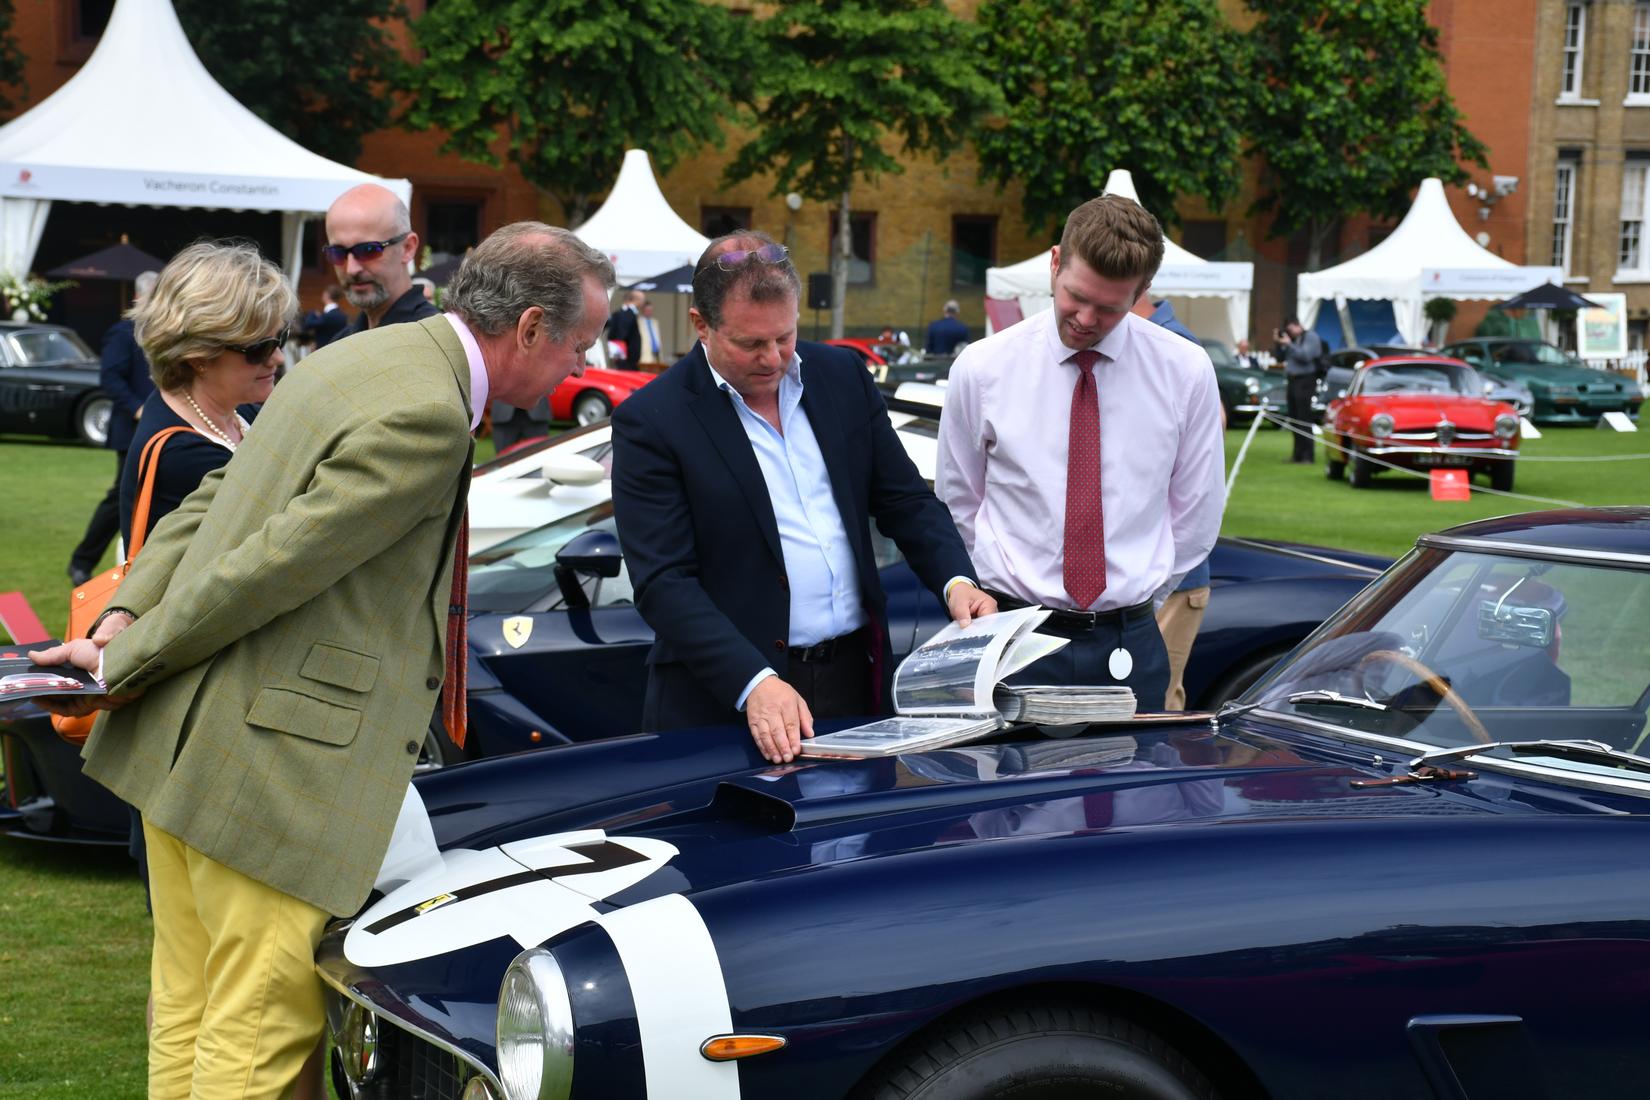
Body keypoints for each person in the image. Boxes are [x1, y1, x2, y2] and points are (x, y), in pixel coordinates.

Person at [31, 222, 614, 1100]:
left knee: (192, 1017)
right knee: (254, 1037)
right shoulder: (424, 409)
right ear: (529, 328)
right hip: (274, 776)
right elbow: (265, 567)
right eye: (577, 344)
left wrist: (123, 614)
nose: (577, 368)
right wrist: (125, 653)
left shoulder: (364, 360)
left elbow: (219, 501)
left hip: (201, 757)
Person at [611, 230, 994, 764]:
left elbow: (904, 499)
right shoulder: (653, 420)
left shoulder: (840, 376)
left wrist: (956, 580)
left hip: (852, 677)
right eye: (750, 344)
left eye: (784, 337)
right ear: (701, 325)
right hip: (728, 696)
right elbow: (663, 582)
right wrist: (753, 680)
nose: (772, 358)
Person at [936, 193, 1225, 712]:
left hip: (1130, 642)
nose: (1086, 318)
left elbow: (1197, 513)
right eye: (1075, 296)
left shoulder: (1185, 371)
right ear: (1053, 263)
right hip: (1014, 636)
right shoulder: (983, 368)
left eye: (1110, 307)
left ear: (1142, 293)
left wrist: (1137, 601)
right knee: (1011, 793)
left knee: (1132, 794)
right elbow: (958, 498)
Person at [67, 270, 160, 585]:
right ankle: (83, 561)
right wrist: (137, 408)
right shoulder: (122, 333)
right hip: (132, 428)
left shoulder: (168, 333)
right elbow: (110, 378)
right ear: (139, 298)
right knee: (122, 497)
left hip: (162, 428)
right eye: (155, 298)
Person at [324, 182, 439, 335]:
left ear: (408, 248)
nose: (352, 269)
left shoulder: (435, 340)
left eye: (368, 250)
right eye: (337, 253)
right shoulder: (341, 343)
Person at [1274, 317, 1324, 463]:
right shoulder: (1293, 340)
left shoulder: (1311, 337)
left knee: (1304, 418)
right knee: (1294, 418)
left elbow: (1306, 356)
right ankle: (1297, 455)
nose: (1290, 333)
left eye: (1290, 330)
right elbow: (1280, 358)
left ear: (1297, 325)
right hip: (1293, 380)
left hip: (1306, 380)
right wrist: (1279, 343)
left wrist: (1289, 344)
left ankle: (1308, 455)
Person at [298, 284, 349, 352]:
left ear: (326, 295)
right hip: (338, 350)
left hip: (323, 351)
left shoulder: (327, 316)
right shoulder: (343, 316)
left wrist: (312, 313)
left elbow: (307, 324)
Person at [607, 288, 643, 370]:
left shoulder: (618, 313)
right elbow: (621, 334)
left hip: (624, 357)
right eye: (642, 299)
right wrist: (618, 355)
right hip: (627, 358)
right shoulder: (628, 314)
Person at [637, 299, 664, 369]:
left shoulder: (655, 322)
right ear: (643, 310)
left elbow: (657, 337)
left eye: (650, 310)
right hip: (644, 355)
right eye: (647, 310)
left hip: (656, 355)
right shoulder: (638, 322)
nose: (649, 312)